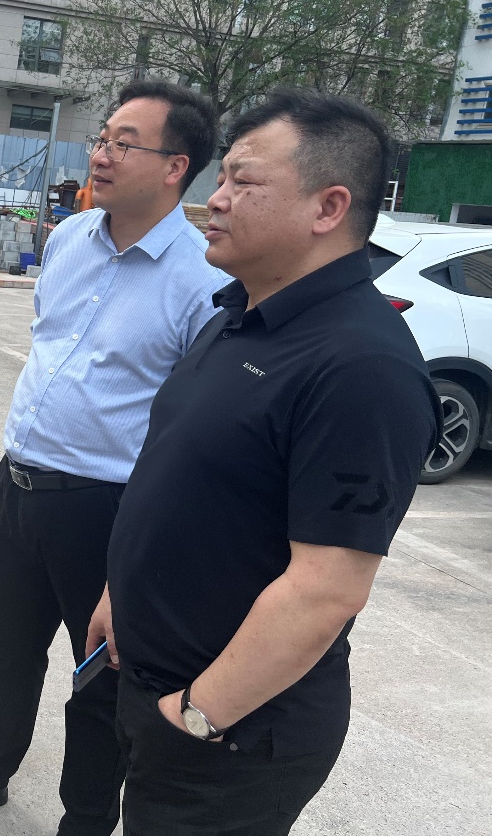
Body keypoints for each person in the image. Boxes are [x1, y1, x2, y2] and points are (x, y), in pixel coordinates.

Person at [88, 90, 442, 835]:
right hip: (156, 681)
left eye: (243, 183)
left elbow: (326, 589)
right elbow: (182, 478)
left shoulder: (360, 367)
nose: (214, 200)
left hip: (231, 734)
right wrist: (122, 592)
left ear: (327, 207)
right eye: (220, 179)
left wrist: (194, 717)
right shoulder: (239, 314)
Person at [0, 80, 227, 836]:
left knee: (100, 675)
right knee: (8, 650)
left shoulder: (202, 281)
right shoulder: (70, 238)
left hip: (104, 509)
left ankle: (85, 817)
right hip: (16, 484)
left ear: (175, 166)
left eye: (123, 144)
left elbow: (186, 432)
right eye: (101, 138)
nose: (100, 155)